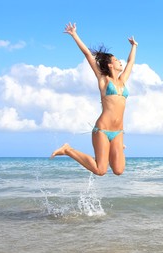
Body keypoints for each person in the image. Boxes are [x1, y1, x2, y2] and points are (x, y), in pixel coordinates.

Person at [51, 22, 138, 176]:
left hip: (118, 131)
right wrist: (74, 35)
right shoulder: (103, 80)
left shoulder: (123, 80)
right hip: (102, 130)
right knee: (100, 170)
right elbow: (87, 55)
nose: (120, 62)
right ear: (110, 65)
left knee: (118, 170)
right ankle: (67, 149)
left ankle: (112, 148)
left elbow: (130, 62)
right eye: (117, 60)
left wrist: (134, 46)